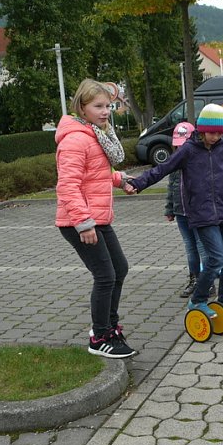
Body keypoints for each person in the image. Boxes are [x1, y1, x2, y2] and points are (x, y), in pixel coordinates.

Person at [124, 103, 223, 319]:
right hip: (201, 213)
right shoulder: (188, 150)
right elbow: (163, 168)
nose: (215, 137)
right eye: (211, 132)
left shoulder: (222, 148)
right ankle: (197, 300)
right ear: (202, 129)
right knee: (216, 259)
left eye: (219, 133)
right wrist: (139, 183)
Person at [55, 79, 136, 358]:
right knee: (105, 276)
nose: (105, 111)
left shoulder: (95, 134)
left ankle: (110, 327)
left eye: (108, 106)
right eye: (98, 106)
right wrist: (84, 223)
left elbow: (95, 175)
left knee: (120, 269)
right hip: (79, 221)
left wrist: (119, 179)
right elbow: (68, 185)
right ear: (82, 107)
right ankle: (100, 337)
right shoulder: (76, 138)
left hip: (98, 217)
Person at [166, 122, 213, 298]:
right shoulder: (175, 162)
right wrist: (169, 208)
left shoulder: (201, 161)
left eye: (184, 145)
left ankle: (207, 282)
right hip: (181, 213)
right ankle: (194, 279)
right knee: (190, 248)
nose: (180, 150)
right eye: (177, 146)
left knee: (203, 248)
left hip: (198, 213)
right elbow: (171, 187)